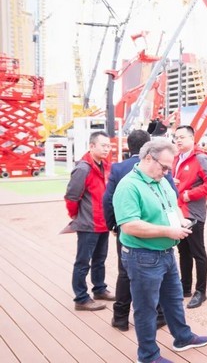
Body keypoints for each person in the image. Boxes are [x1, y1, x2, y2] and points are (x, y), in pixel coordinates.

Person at [113, 138, 207, 363]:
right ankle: (147, 355)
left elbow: (172, 205)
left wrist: (181, 221)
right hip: (142, 255)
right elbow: (129, 226)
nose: (167, 172)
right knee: (146, 308)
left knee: (173, 299)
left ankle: (182, 337)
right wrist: (168, 231)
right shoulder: (128, 186)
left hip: (164, 253)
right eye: (164, 167)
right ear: (148, 158)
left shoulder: (160, 180)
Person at [102, 129, 177, 331]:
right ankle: (159, 316)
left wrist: (113, 225)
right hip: (153, 231)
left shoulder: (118, 168)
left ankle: (120, 317)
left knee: (124, 273)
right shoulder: (160, 168)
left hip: (125, 229)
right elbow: (172, 196)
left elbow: (108, 199)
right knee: (156, 277)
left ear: (129, 146)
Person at [64, 130, 115, 311]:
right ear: (92, 146)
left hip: (102, 222)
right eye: (103, 145)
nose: (107, 149)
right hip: (88, 224)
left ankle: (99, 289)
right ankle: (81, 298)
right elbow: (71, 197)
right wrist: (76, 216)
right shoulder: (83, 168)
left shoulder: (105, 166)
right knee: (83, 261)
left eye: (109, 146)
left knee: (100, 259)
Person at [172, 125, 207, 308]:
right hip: (178, 212)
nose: (178, 140)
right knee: (183, 251)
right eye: (176, 137)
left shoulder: (201, 158)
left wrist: (189, 194)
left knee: (198, 252)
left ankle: (201, 291)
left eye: (182, 137)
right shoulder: (176, 158)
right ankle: (185, 287)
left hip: (193, 213)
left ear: (192, 139)